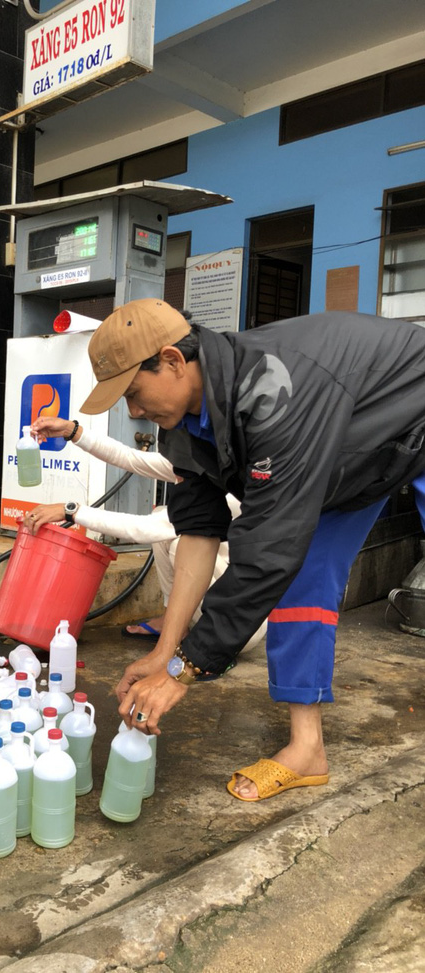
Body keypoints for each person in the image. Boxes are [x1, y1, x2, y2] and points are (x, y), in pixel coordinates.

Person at [75, 298, 425, 802]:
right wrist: (165, 651)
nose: (133, 411)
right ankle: (308, 750)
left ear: (173, 361)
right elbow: (198, 532)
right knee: (300, 583)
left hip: (411, 417)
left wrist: (185, 671)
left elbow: (266, 550)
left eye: (133, 393)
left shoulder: (276, 391)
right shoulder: (183, 422)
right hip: (353, 457)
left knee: (278, 559)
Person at [23, 418, 266, 657]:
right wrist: (72, 431)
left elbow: (143, 529)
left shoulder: (231, 486)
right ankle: (172, 621)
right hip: (225, 596)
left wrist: (71, 511)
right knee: (164, 518)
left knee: (182, 539)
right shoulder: (199, 463)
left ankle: (210, 645)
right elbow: (131, 459)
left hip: (238, 625)